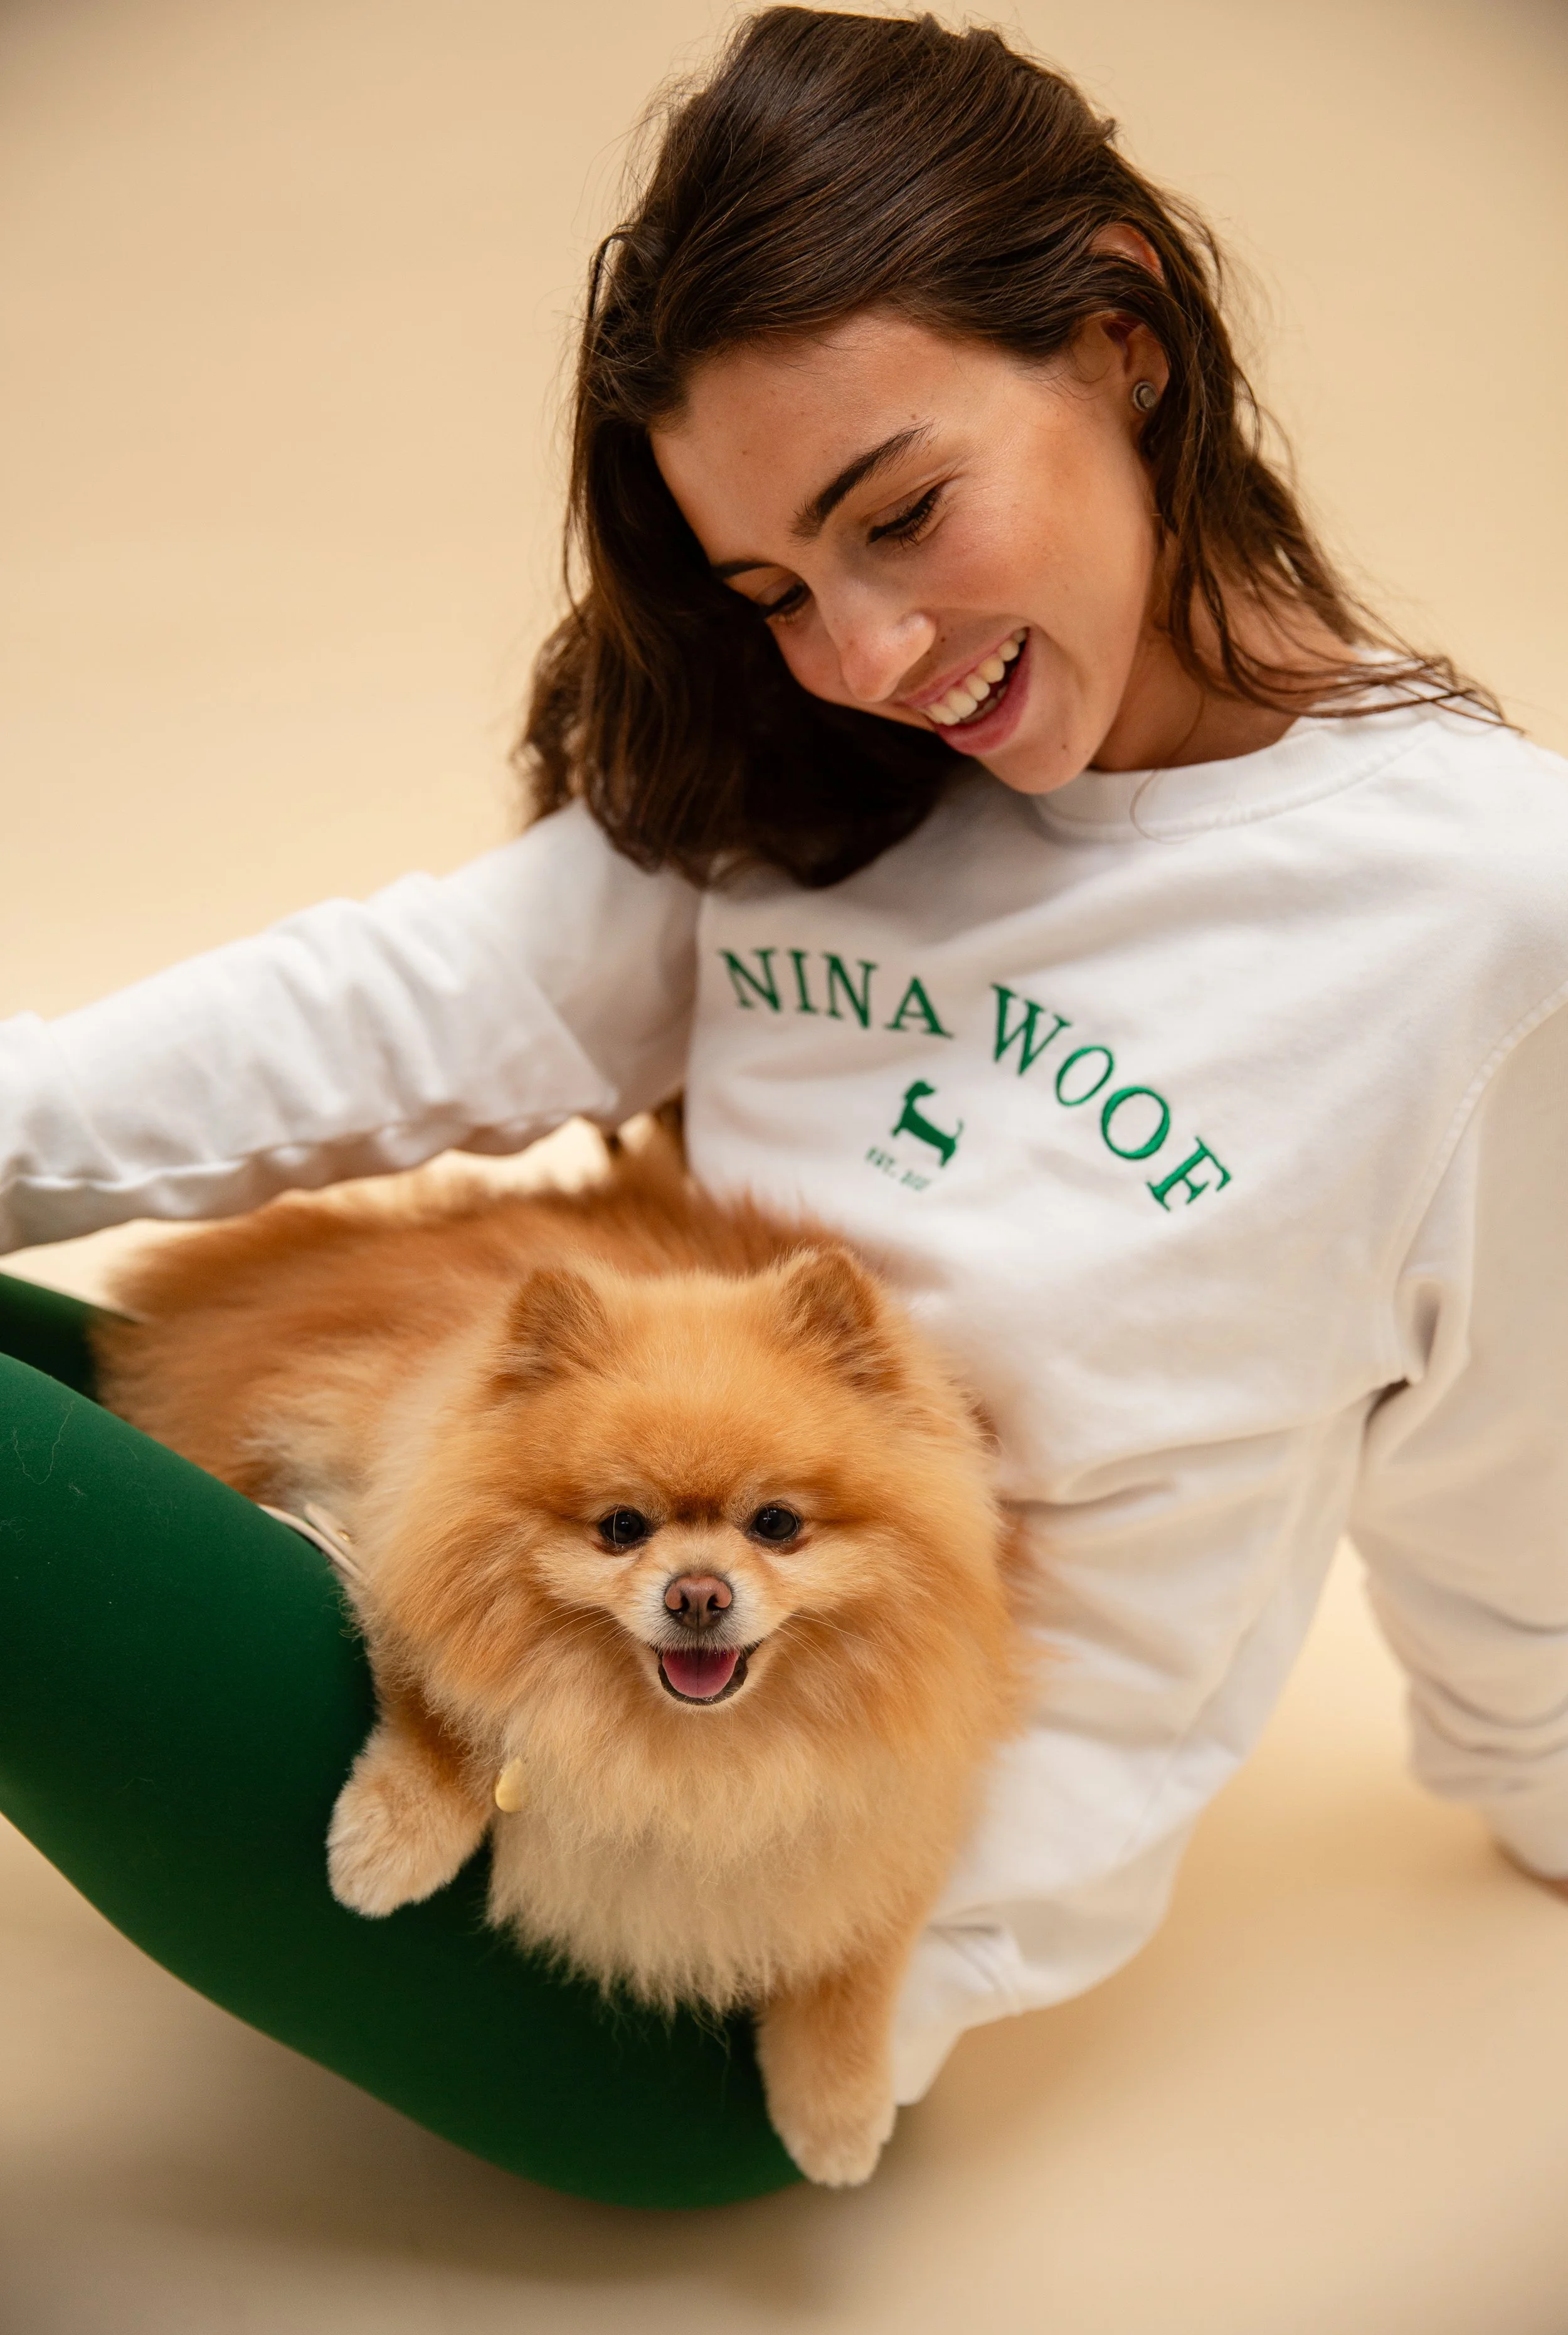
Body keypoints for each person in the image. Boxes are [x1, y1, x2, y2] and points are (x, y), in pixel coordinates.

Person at [3, 5, 1567, 2205]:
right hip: (462, 1643)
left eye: (899, 514)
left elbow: (1522, 1453)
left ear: (1119, 334)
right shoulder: (815, 782)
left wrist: (1543, 1783)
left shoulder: (1485, 917)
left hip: (761, 1968)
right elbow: (378, 1011)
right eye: (771, 590)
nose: (856, 652)